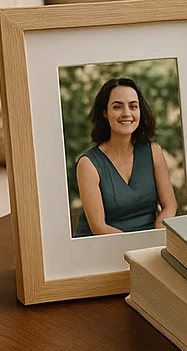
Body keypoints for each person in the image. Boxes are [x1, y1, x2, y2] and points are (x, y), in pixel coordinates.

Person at [73, 77, 178, 237]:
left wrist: (158, 233)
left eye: (133, 106)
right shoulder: (88, 164)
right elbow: (99, 227)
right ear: (105, 113)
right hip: (104, 245)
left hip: (148, 244)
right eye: (117, 107)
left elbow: (170, 206)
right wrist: (135, 245)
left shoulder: (153, 151)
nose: (126, 113)